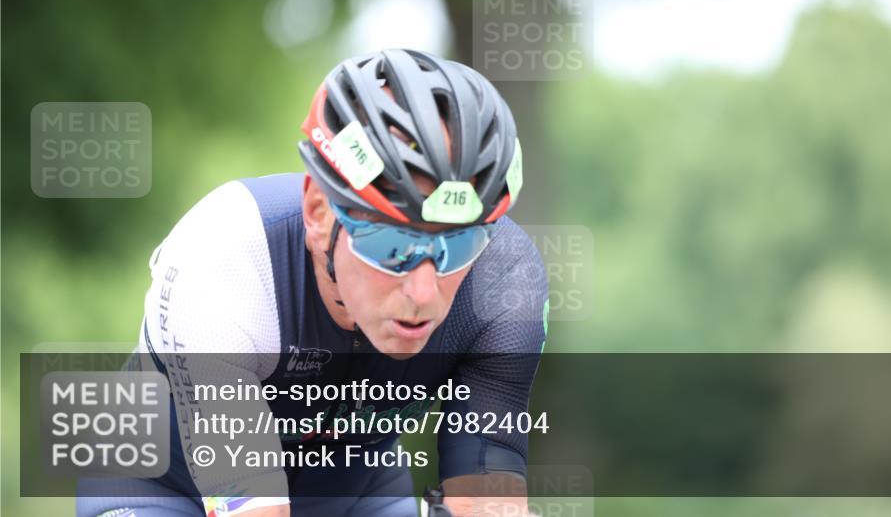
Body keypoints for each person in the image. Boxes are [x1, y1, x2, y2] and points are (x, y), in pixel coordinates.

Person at [77, 49, 548, 517]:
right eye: (392, 244)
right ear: (319, 213)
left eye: (459, 245)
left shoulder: (504, 280)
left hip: (357, 492)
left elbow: (487, 497)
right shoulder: (224, 259)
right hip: (162, 489)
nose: (423, 293)